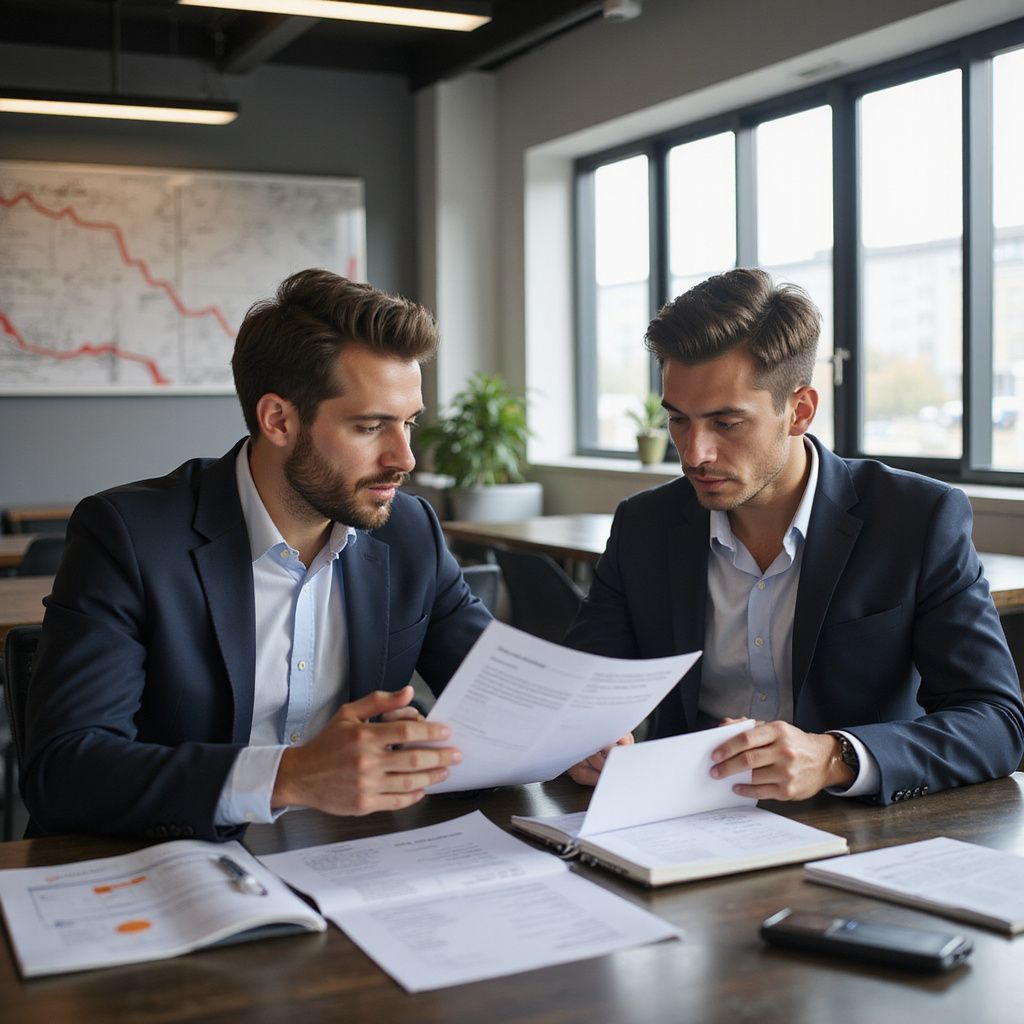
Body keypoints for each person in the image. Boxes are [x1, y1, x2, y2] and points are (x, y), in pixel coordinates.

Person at [23, 269, 491, 840]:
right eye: (370, 427)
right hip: (173, 859)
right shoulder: (128, 536)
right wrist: (289, 776)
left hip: (352, 859)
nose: (405, 458)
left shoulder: (408, 530)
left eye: (409, 423)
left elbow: (504, 690)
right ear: (279, 420)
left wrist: (574, 742)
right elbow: (65, 771)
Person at [565, 268, 1024, 805]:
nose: (694, 454)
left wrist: (834, 757)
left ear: (799, 410)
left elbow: (996, 723)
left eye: (727, 423)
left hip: (854, 832)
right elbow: (579, 695)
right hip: (681, 822)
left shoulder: (918, 518)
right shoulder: (644, 524)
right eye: (679, 421)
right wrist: (582, 740)